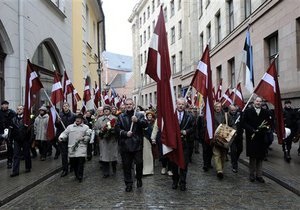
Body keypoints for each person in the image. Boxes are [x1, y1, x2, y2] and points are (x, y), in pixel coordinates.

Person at [115, 98, 148, 192]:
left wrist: (137, 121)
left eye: (130, 104)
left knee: (139, 163)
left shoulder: (139, 115)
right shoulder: (121, 116)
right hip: (125, 144)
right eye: (127, 104)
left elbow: (145, 125)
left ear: (133, 105)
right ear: (124, 106)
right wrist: (125, 133)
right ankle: (128, 183)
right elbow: (117, 129)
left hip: (137, 143)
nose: (129, 106)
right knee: (126, 165)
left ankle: (139, 178)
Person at [243, 96, 271, 183]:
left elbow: (268, 123)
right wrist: (252, 130)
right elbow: (244, 123)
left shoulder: (265, 112)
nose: (258, 103)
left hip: (261, 137)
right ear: (253, 102)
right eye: (257, 101)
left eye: (260, 101)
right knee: (253, 157)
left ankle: (259, 175)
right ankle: (252, 174)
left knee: (260, 157)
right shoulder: (248, 111)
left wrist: (263, 129)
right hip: (251, 137)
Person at [59, 114, 91, 182]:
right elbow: (65, 133)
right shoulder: (70, 127)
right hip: (72, 148)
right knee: (73, 163)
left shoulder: (86, 127)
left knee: (81, 162)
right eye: (76, 118)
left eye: (79, 119)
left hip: (81, 147)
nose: (77, 120)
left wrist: (84, 138)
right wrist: (61, 137)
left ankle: (80, 176)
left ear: (82, 120)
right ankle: (77, 174)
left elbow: (88, 136)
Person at [171, 98, 195, 191]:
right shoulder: (172, 116)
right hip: (174, 144)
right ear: (176, 105)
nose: (180, 106)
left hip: (185, 144)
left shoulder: (189, 116)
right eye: (179, 104)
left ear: (185, 106)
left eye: (182, 104)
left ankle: (183, 182)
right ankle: (175, 181)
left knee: (184, 164)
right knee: (174, 163)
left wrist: (186, 131)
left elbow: (193, 127)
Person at [212, 102, 235, 180]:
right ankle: (219, 170)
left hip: (225, 138)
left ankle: (221, 168)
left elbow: (232, 124)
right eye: (216, 106)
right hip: (216, 138)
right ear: (214, 107)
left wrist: (234, 131)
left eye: (219, 106)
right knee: (216, 154)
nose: (218, 108)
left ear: (221, 106)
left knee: (223, 155)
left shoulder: (226, 115)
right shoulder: (211, 115)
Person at [94, 105, 118, 178]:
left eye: (107, 109)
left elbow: (118, 128)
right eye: (105, 110)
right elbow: (96, 129)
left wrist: (113, 131)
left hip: (112, 140)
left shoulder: (115, 118)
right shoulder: (99, 119)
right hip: (103, 141)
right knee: (104, 157)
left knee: (113, 156)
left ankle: (114, 169)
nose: (106, 111)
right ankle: (106, 172)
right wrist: (99, 133)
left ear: (110, 111)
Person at [55, 102, 76, 177]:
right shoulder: (59, 115)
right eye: (64, 106)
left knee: (71, 153)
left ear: (69, 106)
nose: (65, 107)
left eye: (66, 106)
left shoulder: (73, 115)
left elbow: (75, 125)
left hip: (71, 136)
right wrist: (57, 121)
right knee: (64, 154)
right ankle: (65, 169)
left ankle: (72, 166)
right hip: (62, 136)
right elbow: (56, 126)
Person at [10, 105, 32, 177]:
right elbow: (11, 130)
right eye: (18, 109)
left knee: (26, 154)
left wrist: (27, 127)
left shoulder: (27, 119)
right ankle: (15, 171)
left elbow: (30, 130)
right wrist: (11, 138)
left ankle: (28, 167)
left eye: (21, 109)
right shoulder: (13, 119)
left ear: (23, 110)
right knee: (16, 155)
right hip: (17, 139)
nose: (19, 110)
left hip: (25, 139)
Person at [0, 100, 16, 168]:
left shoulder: (11, 112)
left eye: (7, 105)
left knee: (9, 147)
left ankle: (9, 161)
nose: (6, 106)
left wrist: (11, 127)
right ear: (1, 105)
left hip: (9, 132)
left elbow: (15, 120)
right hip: (0, 132)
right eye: (4, 104)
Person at [228, 105, 243, 173]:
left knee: (240, 149)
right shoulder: (227, 116)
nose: (234, 111)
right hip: (232, 136)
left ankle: (235, 159)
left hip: (239, 135)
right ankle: (234, 165)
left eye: (234, 110)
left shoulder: (239, 115)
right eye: (232, 110)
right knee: (233, 151)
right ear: (229, 110)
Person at [143, 110, 155, 175]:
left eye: (150, 115)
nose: (149, 116)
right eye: (148, 115)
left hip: (149, 139)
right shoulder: (145, 122)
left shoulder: (153, 122)